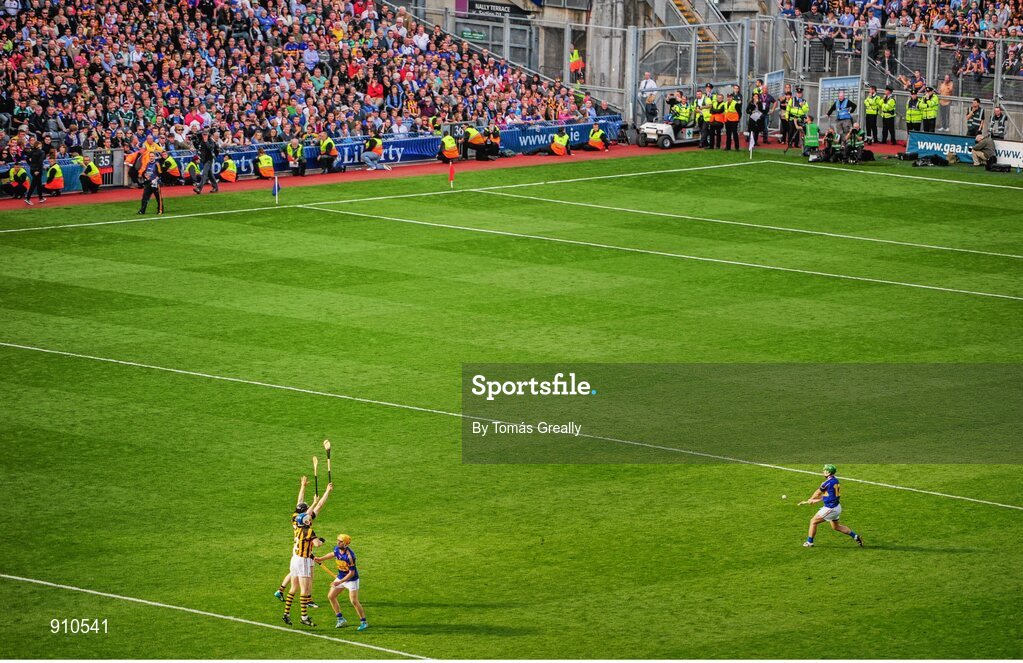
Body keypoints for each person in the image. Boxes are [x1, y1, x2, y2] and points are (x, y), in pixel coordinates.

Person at [283, 481, 334, 627]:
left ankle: (286, 614)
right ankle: (304, 617)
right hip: (303, 560)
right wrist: (321, 540)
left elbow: (307, 506)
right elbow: (317, 543)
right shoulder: (308, 530)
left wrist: (304, 487)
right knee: (304, 590)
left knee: (293, 588)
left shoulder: (296, 522)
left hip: (295, 557)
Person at [798, 464, 864, 548]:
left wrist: (811, 499)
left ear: (828, 472)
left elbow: (818, 493)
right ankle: (856, 537)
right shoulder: (835, 481)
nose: (823, 471)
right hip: (837, 507)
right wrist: (815, 500)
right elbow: (828, 495)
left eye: (825, 470)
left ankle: (809, 542)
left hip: (830, 508)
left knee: (813, 521)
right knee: (836, 526)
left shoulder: (826, 483)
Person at [315, 534, 369, 631]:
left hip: (351, 580)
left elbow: (351, 573)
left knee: (354, 601)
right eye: (338, 540)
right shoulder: (337, 549)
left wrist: (339, 582)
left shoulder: (350, 556)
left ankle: (363, 622)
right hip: (341, 577)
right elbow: (333, 554)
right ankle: (340, 619)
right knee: (331, 596)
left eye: (340, 541)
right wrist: (321, 558)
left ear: (346, 544)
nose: (338, 543)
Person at [23, 138, 45, 205]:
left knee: (38, 184)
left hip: (32, 169)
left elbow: (27, 159)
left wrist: (31, 165)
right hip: (38, 170)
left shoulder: (31, 152)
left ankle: (41, 198)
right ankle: (28, 198)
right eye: (40, 145)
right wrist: (38, 170)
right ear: (38, 145)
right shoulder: (42, 152)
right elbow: (40, 162)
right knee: (33, 184)